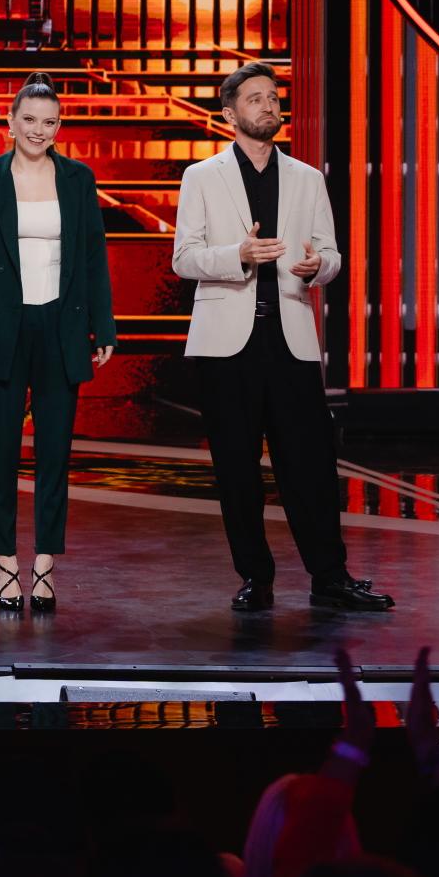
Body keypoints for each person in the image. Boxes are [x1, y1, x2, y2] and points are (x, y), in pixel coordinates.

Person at [172, 62, 392, 612]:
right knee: (237, 467)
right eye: (255, 98)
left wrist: (319, 267)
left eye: (273, 97)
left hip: (290, 337)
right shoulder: (202, 176)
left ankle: (330, 577)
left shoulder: (306, 177)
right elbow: (184, 258)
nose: (268, 105)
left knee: (310, 463)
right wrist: (238, 255)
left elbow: (332, 254)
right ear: (230, 114)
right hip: (227, 345)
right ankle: (256, 577)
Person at [0, 71, 117, 613]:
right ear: (12, 122)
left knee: (54, 453)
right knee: (0, 453)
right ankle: (5, 561)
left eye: (50, 122)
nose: (39, 130)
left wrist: (104, 327)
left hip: (61, 327)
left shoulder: (78, 179)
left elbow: (93, 256)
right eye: (30, 120)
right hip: (1, 328)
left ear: (59, 127)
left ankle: (44, 563)